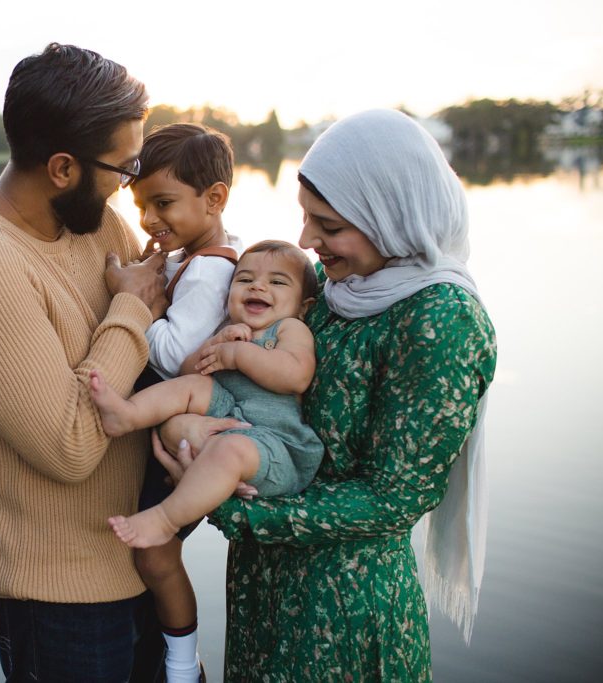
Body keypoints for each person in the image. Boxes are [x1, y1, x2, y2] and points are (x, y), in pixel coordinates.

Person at [154, 109, 497, 681]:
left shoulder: (441, 319)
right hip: (263, 592)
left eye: (329, 225)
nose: (307, 240)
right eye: (306, 218)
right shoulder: (333, 284)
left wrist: (233, 503)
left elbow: (395, 498)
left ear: (390, 217)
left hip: (344, 610)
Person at [0, 43, 183, 682]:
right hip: (59, 607)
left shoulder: (94, 226)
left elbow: (166, 318)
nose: (130, 182)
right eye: (123, 167)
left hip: (146, 568)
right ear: (63, 167)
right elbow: (68, 446)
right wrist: (130, 317)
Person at [92, 240, 325, 545]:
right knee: (191, 388)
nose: (257, 287)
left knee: (229, 451)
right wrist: (214, 345)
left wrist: (238, 355)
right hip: (230, 413)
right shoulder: (228, 328)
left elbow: (297, 376)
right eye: (245, 280)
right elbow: (189, 371)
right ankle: (127, 415)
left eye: (277, 282)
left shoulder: (289, 328)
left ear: (303, 306)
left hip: (275, 441)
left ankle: (165, 519)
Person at [125, 122, 243, 683]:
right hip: (182, 422)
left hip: (191, 429)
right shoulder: (190, 260)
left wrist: (129, 304)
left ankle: (180, 666)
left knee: (155, 552)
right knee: (153, 553)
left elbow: (173, 355)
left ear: (214, 198)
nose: (149, 219)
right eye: (141, 204)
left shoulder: (212, 272)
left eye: (163, 203)